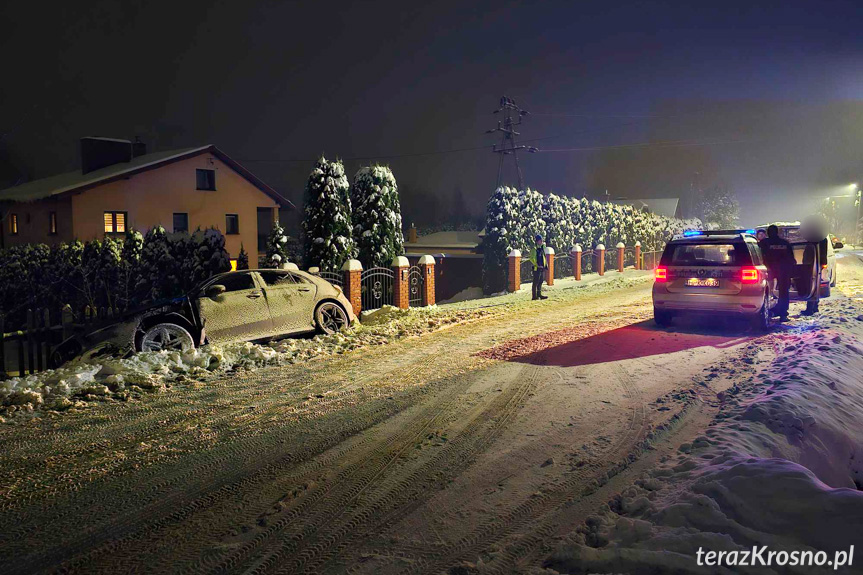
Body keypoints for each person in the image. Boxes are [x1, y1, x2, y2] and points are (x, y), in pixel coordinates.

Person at [760, 224, 795, 321]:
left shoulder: (763, 243)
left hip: (768, 270)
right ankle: (783, 314)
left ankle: (765, 312)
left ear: (768, 233)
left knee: (765, 291)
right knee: (784, 292)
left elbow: (759, 256)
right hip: (783, 271)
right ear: (777, 232)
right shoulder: (785, 243)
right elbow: (792, 259)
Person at [529, 233, 548, 300]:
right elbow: (531, 258)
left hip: (542, 267)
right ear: (537, 241)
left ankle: (539, 294)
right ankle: (534, 296)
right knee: (535, 282)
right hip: (537, 268)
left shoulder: (541, 248)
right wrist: (537, 265)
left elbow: (544, 255)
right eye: (540, 240)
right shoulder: (534, 249)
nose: (541, 242)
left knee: (540, 281)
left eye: (542, 240)